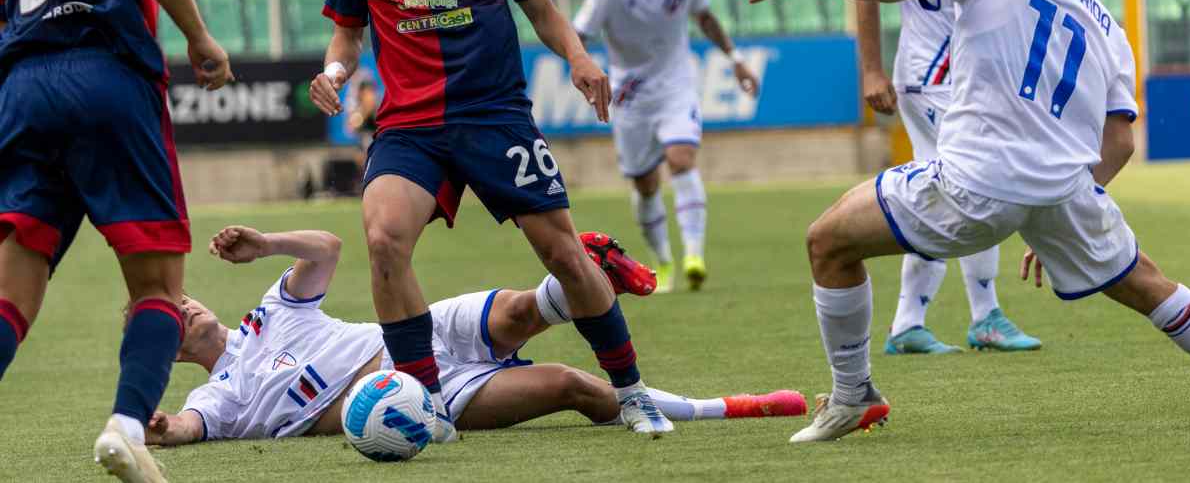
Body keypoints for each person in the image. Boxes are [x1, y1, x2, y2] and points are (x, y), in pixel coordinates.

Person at [737, 0, 1190, 443]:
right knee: (1148, 283)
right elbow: (1120, 140)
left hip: (977, 181)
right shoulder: (1107, 23)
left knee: (827, 241)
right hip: (1065, 190)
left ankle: (853, 397)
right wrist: (1054, 217)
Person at [308, 0, 673, 440]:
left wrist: (579, 58)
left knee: (564, 255)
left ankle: (632, 392)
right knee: (384, 240)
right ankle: (428, 404)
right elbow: (346, 34)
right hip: (410, 126)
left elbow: (542, 10)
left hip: (494, 117)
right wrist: (335, 74)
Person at [0, 0, 232, 482]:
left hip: (23, 87)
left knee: (11, 291)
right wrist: (200, 37)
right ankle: (129, 429)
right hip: (107, 76)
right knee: (157, 287)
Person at [144, 226, 807, 445]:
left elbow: (328, 248)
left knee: (519, 311)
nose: (187, 305)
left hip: (417, 331)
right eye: (170, 314)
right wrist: (149, 424)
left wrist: (266, 244)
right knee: (572, 387)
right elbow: (180, 429)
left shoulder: (269, 311)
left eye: (182, 295)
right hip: (426, 396)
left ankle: (584, 273)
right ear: (165, 347)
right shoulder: (218, 399)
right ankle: (731, 406)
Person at [858, 0, 1039, 354]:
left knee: (945, 190)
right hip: (927, 74)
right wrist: (871, 69)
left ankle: (908, 323)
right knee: (978, 179)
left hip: (974, 76)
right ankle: (983, 315)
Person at [574, 0, 758, 293]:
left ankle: (694, 256)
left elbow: (705, 18)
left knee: (681, 158)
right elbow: (579, 35)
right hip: (630, 96)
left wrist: (736, 59)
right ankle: (662, 260)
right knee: (645, 184)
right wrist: (583, 68)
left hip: (676, 86)